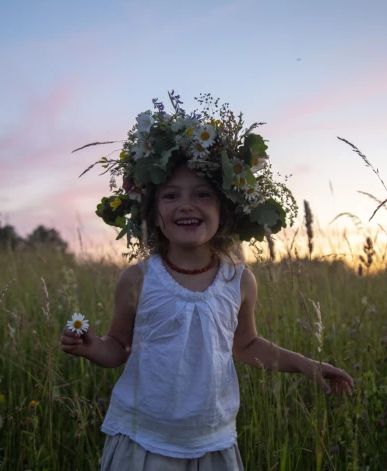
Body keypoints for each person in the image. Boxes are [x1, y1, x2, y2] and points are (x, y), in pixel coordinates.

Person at [61, 92, 354, 470]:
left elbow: (246, 344)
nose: (186, 204)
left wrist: (306, 364)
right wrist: (91, 347)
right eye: (170, 195)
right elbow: (118, 347)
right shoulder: (137, 279)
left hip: (212, 439)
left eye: (202, 194)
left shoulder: (239, 280)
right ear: (152, 212)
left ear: (225, 211)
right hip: (144, 438)